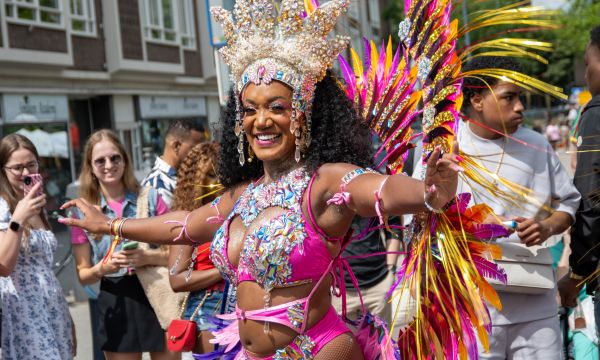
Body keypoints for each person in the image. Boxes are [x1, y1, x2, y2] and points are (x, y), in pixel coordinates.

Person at [59, 2, 462, 358]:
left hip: (317, 350)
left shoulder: (323, 182)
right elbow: (184, 225)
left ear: (303, 112)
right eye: (250, 110)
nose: (261, 120)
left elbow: (380, 189)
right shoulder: (246, 194)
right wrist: (109, 224)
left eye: (277, 107)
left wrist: (427, 191)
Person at [458, 56, 581, 359]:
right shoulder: (448, 147)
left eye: (521, 98)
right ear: (476, 99)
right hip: (472, 306)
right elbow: (418, 217)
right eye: (508, 97)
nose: (520, 107)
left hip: (535, 302)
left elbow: (569, 201)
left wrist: (546, 227)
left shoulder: (536, 143)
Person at [69, 129, 178, 360]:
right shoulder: (83, 213)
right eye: (100, 160)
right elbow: (84, 275)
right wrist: (103, 268)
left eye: (115, 157)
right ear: (90, 166)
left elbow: (178, 252)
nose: (109, 165)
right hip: (115, 298)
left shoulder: (150, 198)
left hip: (156, 292)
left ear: (125, 161)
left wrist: (148, 257)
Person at [0, 134, 75, 359]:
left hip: (51, 306)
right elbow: (4, 265)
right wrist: (18, 219)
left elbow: (45, 267)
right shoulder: (3, 207)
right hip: (22, 310)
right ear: (3, 170)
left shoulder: (36, 203)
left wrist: (68, 318)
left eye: (31, 164)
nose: (25, 173)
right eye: (17, 167)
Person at [168, 142, 234, 354]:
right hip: (209, 309)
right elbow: (176, 279)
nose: (221, 182)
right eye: (213, 176)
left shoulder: (238, 210)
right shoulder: (188, 221)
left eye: (223, 174)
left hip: (245, 306)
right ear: (197, 180)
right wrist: (223, 270)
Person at [558, 23, 600, 340]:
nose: (586, 75)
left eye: (588, 65)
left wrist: (577, 274)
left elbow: (591, 199)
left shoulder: (596, 114)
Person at [142, 119, 205, 208]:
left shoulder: (188, 176)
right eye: (196, 148)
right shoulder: (157, 187)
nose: (202, 153)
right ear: (176, 146)